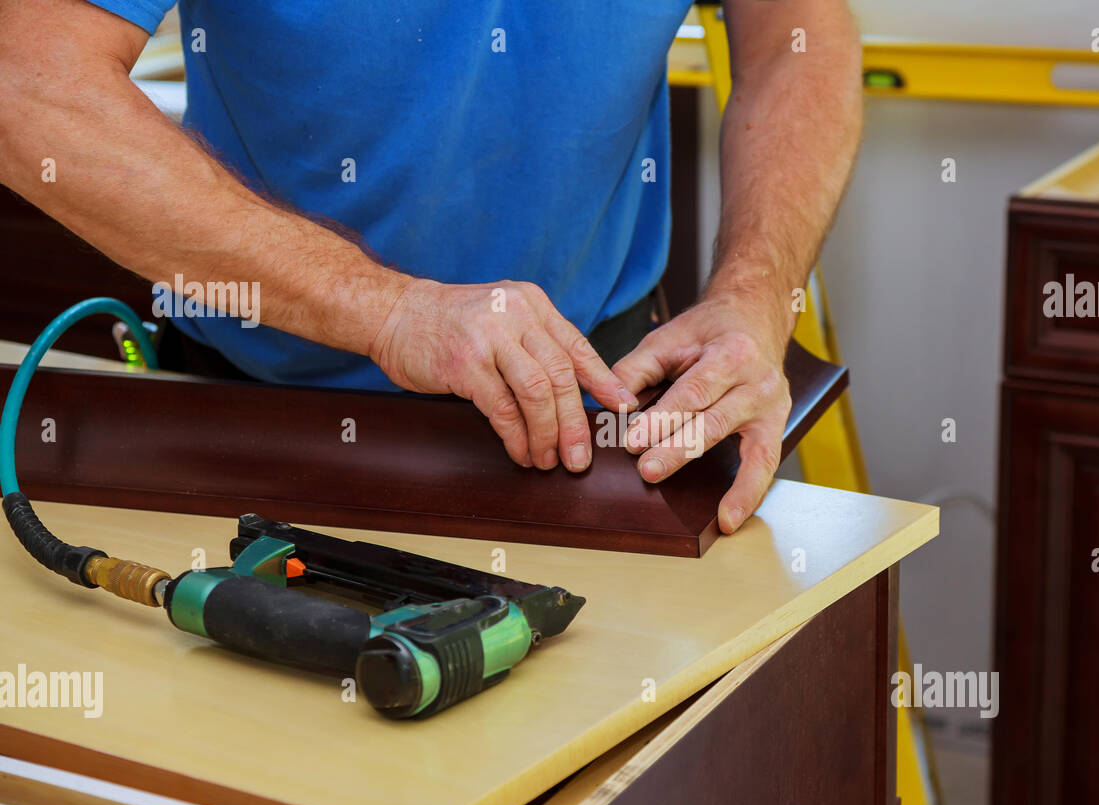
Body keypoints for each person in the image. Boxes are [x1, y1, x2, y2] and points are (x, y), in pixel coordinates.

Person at [0, 0, 863, 534]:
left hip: (608, 411)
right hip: (264, 422)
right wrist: (384, 310)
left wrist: (754, 297)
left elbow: (798, 34)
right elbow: (24, 78)